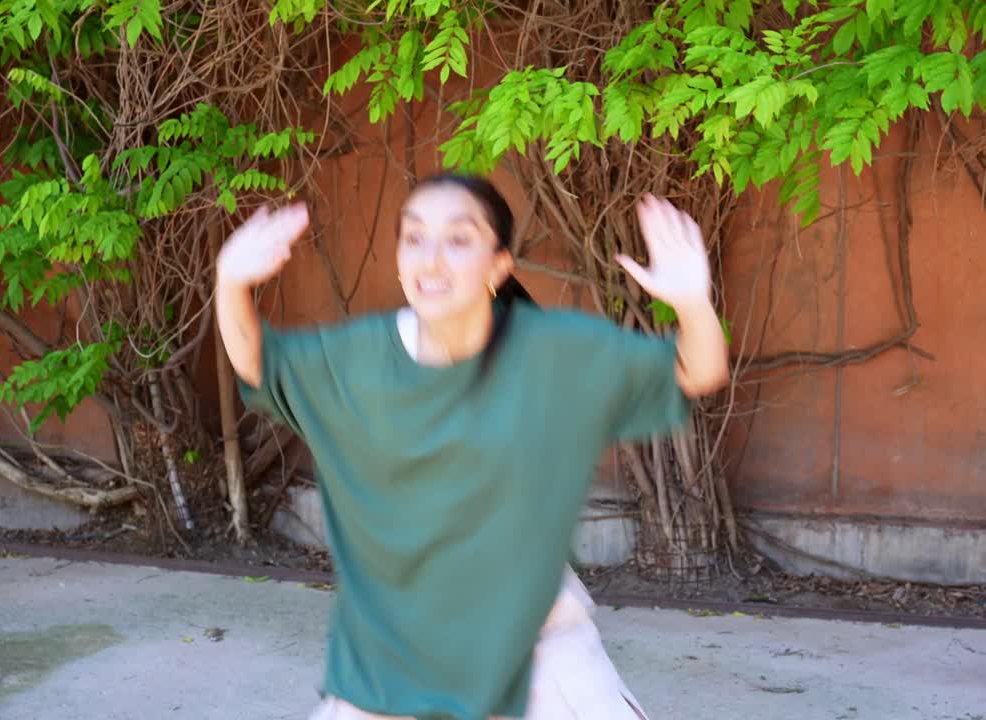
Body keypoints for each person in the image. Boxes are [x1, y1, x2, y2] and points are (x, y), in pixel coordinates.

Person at [215, 172, 729, 720]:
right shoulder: (357, 361)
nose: (431, 258)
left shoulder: (551, 358)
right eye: (414, 237)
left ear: (498, 266)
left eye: (458, 239)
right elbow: (258, 362)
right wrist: (231, 282)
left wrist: (691, 301)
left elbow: (694, 370)